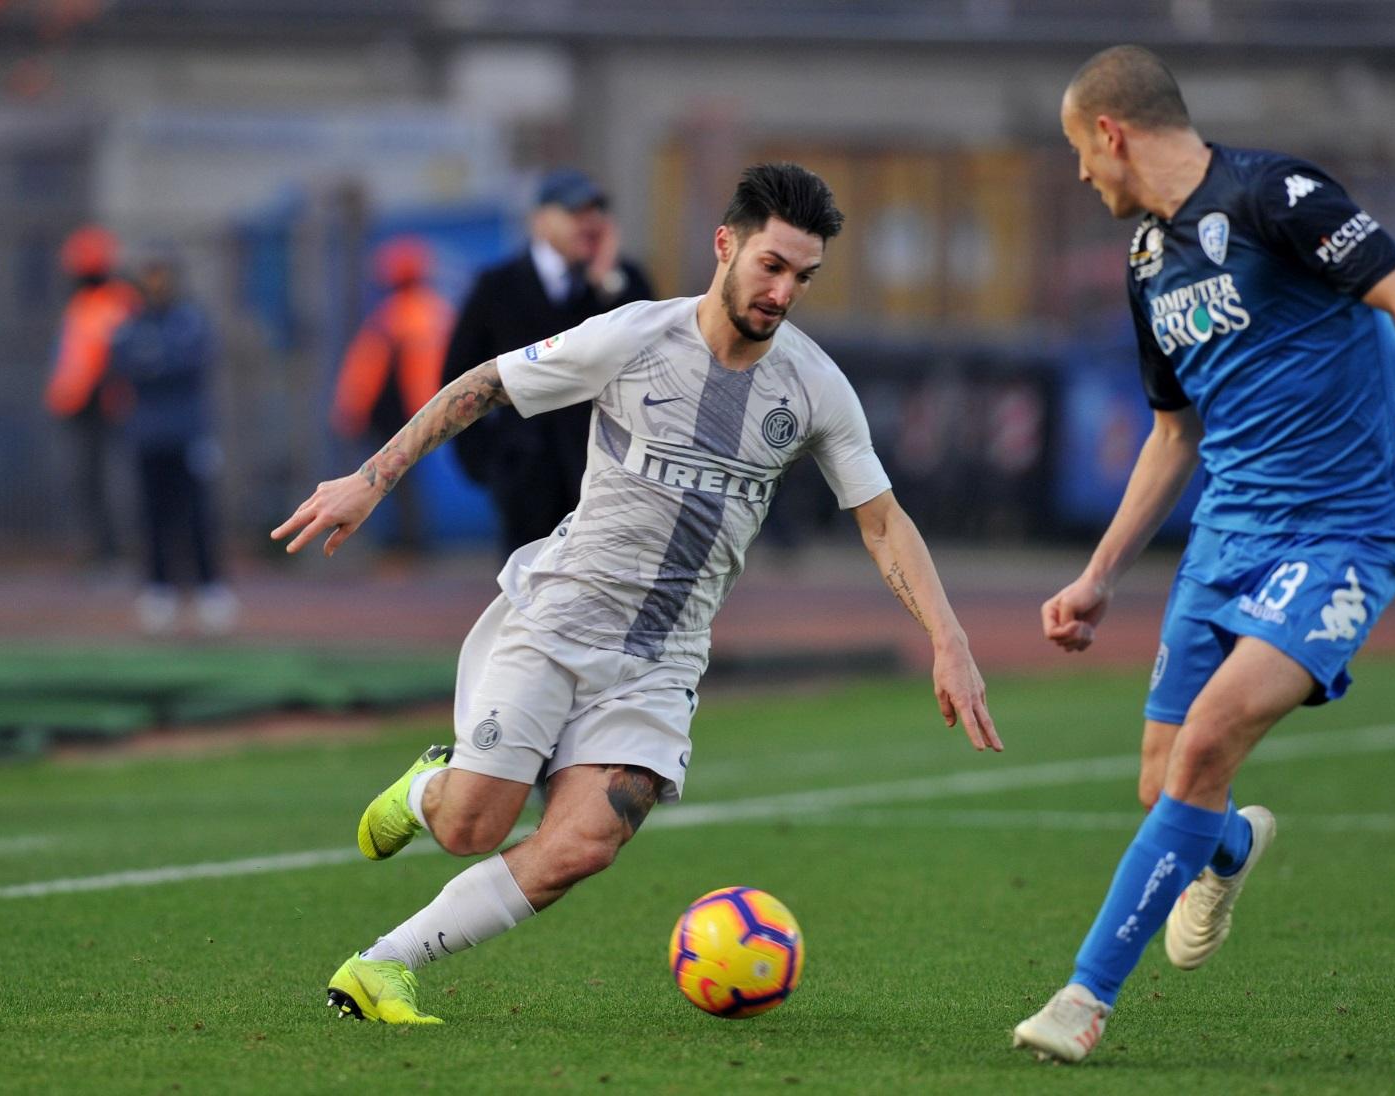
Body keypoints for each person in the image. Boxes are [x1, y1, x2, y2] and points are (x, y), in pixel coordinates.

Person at [273, 162, 1001, 1025]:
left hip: (662, 661)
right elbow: (485, 384)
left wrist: (949, 640)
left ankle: (383, 966)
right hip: (556, 621)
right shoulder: (634, 337)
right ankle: (426, 789)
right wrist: (371, 479)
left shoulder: (813, 388)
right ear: (726, 245)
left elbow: (882, 522)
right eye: (770, 265)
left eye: (802, 276)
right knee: (470, 827)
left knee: (584, 843)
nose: (782, 292)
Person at [1013, 45, 1395, 1063]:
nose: (1080, 172)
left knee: (1205, 747)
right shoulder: (1148, 262)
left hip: (1347, 528)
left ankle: (1083, 997)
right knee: (1166, 788)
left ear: (1112, 133)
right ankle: (1229, 845)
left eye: (1079, 149)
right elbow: (1172, 433)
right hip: (1230, 531)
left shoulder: (1278, 195)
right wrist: (1099, 575)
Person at [442, 167, 654, 555]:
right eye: (575, 212)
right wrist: (489, 463)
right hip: (527, 486)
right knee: (530, 587)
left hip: (606, 482)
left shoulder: (624, 282)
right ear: (540, 221)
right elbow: (457, 376)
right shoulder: (498, 286)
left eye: (596, 212)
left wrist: (607, 286)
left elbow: (650, 360)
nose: (590, 223)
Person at [109, 252, 237, 635]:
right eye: (149, 274)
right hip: (147, 437)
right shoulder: (131, 323)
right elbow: (122, 362)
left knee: (198, 515)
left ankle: (210, 589)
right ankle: (158, 589)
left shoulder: (190, 320)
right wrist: (157, 361)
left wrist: (153, 361)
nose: (155, 282)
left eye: (160, 273)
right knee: (152, 516)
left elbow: (187, 362)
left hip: (188, 435)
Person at [330, 236, 453, 552]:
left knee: (386, 480)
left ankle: (403, 544)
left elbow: (367, 370)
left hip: (393, 414)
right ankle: (411, 542)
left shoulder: (392, 316)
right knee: (406, 480)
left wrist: (351, 410)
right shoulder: (438, 310)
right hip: (428, 410)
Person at [42, 225, 141, 569]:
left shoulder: (117, 300)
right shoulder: (82, 303)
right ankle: (99, 552)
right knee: (84, 482)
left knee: (110, 482)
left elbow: (116, 356)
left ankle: (112, 554)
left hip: (106, 406)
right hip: (77, 406)